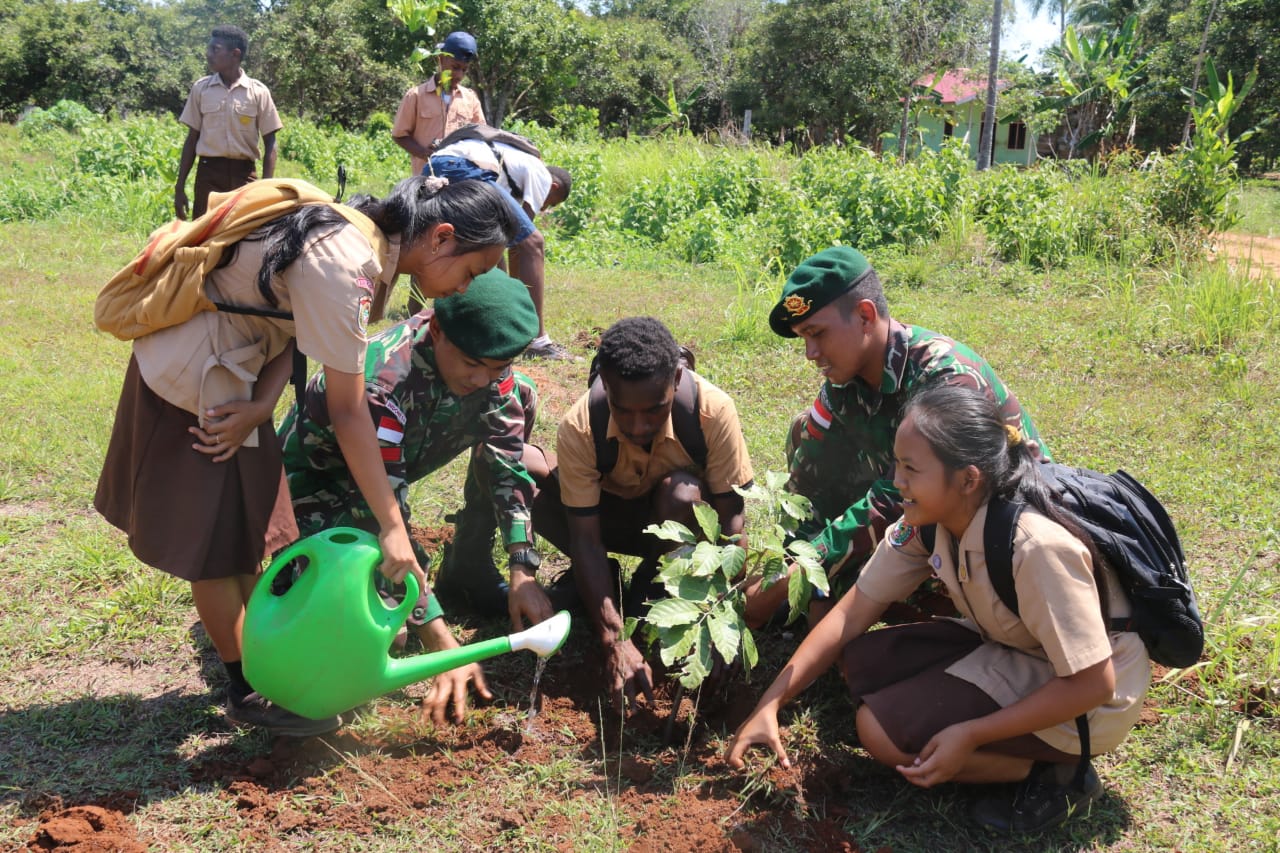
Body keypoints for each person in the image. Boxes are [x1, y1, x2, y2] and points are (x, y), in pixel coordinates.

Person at [95, 175, 519, 737]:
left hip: (235, 378)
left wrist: (263, 401)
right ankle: (250, 686)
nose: (463, 289)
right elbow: (349, 413)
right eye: (471, 271)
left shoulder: (370, 250)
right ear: (441, 237)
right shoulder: (348, 263)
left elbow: (292, 323)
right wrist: (393, 528)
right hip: (193, 379)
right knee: (217, 548)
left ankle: (269, 670)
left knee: (246, 536)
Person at [727, 383, 1151, 834]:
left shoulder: (1037, 547)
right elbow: (851, 614)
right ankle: (989, 729)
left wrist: (972, 734)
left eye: (911, 469)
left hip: (1088, 698)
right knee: (861, 661)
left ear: (969, 479)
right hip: (1017, 645)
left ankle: (1055, 775)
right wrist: (771, 702)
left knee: (880, 733)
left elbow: (1092, 683)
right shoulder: (930, 521)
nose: (896, 481)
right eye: (897, 463)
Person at [278, 270, 560, 721]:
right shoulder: (383, 386)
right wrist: (444, 645)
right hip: (315, 492)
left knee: (518, 398)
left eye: (496, 366)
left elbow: (508, 464)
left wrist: (522, 566)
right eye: (472, 364)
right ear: (438, 329)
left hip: (377, 491)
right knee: (374, 636)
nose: (482, 378)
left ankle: (467, 564)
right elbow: (382, 511)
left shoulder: (490, 373)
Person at [742, 246, 1049, 628]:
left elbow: (896, 499)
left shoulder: (945, 378)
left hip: (1000, 528)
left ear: (865, 316)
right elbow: (809, 488)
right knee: (805, 430)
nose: (810, 353)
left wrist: (800, 572)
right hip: (921, 511)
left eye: (817, 333)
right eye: (803, 337)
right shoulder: (843, 384)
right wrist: (796, 579)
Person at [532, 317, 754, 708]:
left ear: (677, 379)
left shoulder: (713, 412)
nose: (638, 426)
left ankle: (652, 586)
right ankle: (608, 588)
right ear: (604, 386)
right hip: (607, 523)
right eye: (623, 411)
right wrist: (615, 642)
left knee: (682, 495)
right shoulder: (580, 426)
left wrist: (722, 624)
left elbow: (731, 526)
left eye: (654, 410)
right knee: (530, 485)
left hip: (676, 530)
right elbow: (585, 538)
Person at [427, 137, 573, 359]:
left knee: (485, 241)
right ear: (554, 187)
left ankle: (494, 315)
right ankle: (537, 341)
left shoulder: (508, 176)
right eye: (551, 203)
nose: (546, 208)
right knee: (534, 243)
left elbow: (504, 240)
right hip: (461, 165)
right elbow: (523, 239)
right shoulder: (542, 175)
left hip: (436, 164)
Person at [175, 25, 283, 220]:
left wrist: (266, 188)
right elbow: (191, 140)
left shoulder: (258, 92)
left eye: (215, 49)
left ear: (235, 54)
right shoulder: (201, 89)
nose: (208, 54)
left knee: (245, 236)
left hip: (244, 177)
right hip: (209, 174)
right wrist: (179, 187)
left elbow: (270, 144)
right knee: (204, 236)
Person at [391, 31, 487, 180]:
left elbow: (480, 137)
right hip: (426, 180)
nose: (459, 75)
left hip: (460, 182)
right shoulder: (416, 96)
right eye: (455, 67)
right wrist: (425, 153)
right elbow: (399, 135)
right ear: (441, 59)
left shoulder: (470, 99)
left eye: (464, 70)